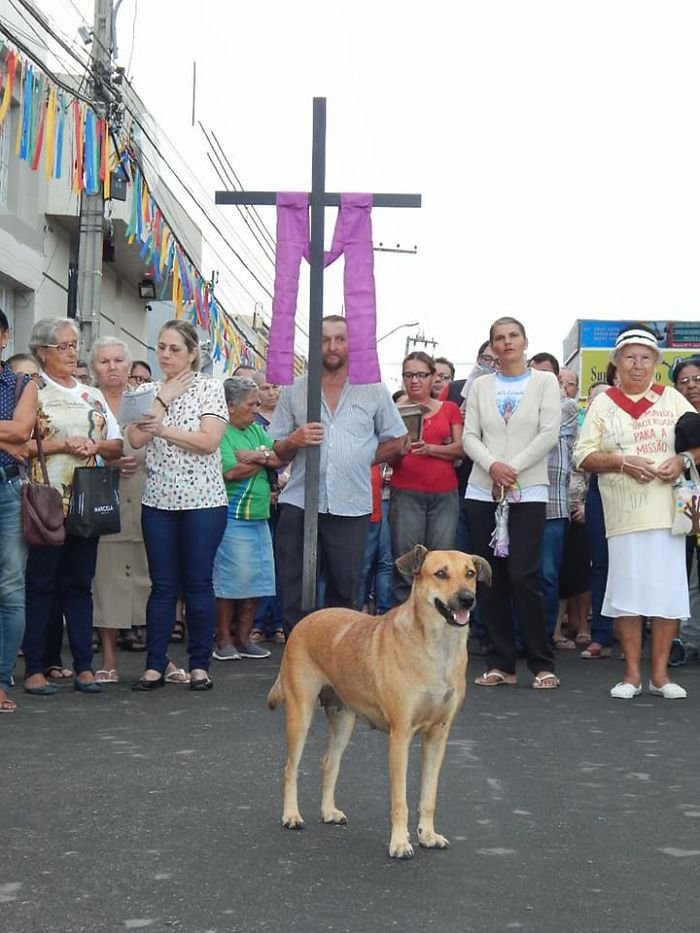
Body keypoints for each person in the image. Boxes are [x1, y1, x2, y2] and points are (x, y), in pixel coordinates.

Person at [574, 324, 696, 699]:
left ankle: (660, 677)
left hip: (669, 513)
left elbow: (699, 439)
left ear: (656, 363)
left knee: (667, 593)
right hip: (624, 514)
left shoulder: (673, 399)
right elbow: (582, 455)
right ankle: (630, 675)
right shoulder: (604, 403)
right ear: (616, 363)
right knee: (627, 593)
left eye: (646, 358)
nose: (638, 365)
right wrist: (623, 462)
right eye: (630, 358)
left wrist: (682, 459)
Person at [268, 315, 407, 633]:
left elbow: (398, 439)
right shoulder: (294, 389)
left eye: (340, 339)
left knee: (344, 593)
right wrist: (294, 440)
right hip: (301, 502)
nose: (332, 346)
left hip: (350, 504)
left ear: (351, 343)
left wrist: (362, 459)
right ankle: (298, 664)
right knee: (294, 589)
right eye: (324, 339)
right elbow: (278, 448)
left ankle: (336, 671)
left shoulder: (372, 389)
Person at [22, 317, 123, 696]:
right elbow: (19, 442)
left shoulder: (91, 395)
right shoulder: (32, 390)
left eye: (73, 345)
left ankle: (83, 666)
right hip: (46, 499)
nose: (70, 353)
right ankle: (35, 666)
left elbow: (116, 444)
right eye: (62, 346)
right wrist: (64, 445)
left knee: (80, 585)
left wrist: (94, 446)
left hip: (87, 500)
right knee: (42, 584)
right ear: (42, 352)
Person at [127, 320, 228, 692]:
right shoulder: (147, 391)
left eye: (175, 349)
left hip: (203, 501)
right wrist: (162, 400)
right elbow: (135, 438)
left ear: (191, 354)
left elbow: (208, 441)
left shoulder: (210, 388)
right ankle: (155, 665)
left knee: (198, 583)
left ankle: (199, 665)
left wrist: (164, 430)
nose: (166, 355)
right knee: (162, 585)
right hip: (158, 500)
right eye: (161, 347)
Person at [463, 316, 561, 689]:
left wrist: (511, 469)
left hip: (528, 489)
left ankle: (541, 662)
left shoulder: (544, 381)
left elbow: (548, 433)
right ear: (491, 347)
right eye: (499, 338)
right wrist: (492, 466)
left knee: (524, 576)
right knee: (490, 579)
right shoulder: (481, 386)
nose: (507, 343)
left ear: (525, 341)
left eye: (513, 336)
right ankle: (500, 662)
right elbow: (471, 435)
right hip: (482, 490)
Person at [90, 337, 175, 682]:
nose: (112, 367)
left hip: (147, 494)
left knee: (152, 577)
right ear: (94, 367)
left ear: (130, 366)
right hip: (101, 495)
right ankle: (108, 658)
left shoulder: (146, 400)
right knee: (105, 578)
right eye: (104, 361)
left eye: (118, 360)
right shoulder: (87, 399)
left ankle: (160, 658)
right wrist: (107, 462)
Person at [212, 377, 285, 661]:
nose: (256, 409)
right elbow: (230, 472)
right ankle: (224, 640)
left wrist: (254, 456)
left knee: (258, 579)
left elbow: (278, 458)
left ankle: (244, 638)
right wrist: (264, 457)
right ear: (230, 406)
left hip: (260, 516)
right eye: (250, 404)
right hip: (233, 515)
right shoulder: (222, 432)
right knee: (230, 581)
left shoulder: (255, 430)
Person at [389, 352, 464, 602]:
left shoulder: (449, 409)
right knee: (406, 562)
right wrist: (398, 449)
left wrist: (430, 449)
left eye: (421, 374)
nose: (414, 381)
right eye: (408, 375)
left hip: (444, 494)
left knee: (441, 562)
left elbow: (461, 448)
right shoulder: (394, 411)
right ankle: (404, 625)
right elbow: (388, 457)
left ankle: (439, 620)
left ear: (433, 377)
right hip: (405, 491)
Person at [0, 310, 38, 713]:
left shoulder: (21, 383)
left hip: (8, 490)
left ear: (5, 337)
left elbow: (21, 431)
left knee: (10, 588)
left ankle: (0, 679)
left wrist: (13, 436)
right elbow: (9, 432)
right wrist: (6, 433)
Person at [528, 353, 579, 646]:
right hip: (520, 502)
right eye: (533, 375)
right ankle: (522, 636)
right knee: (521, 576)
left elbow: (539, 429)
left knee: (547, 576)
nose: (538, 381)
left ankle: (545, 636)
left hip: (553, 505)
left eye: (547, 376)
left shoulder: (568, 406)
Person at [667, 355, 700, 666]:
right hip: (690, 505)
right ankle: (688, 640)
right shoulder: (677, 418)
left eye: (697, 380)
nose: (691, 386)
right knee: (690, 574)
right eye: (684, 381)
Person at [250, 371, 286, 644]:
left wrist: (286, 481)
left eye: (275, 387)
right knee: (263, 560)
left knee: (283, 561)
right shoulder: (252, 421)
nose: (272, 392)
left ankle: (279, 622)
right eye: (266, 387)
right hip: (260, 494)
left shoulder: (288, 417)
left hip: (290, 493)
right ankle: (258, 622)